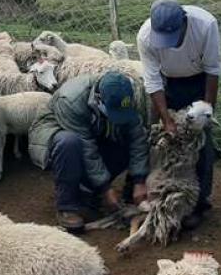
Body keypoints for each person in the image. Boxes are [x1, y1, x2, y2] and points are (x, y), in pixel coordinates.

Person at [136, 0, 221, 229]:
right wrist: (165, 119)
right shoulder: (145, 36)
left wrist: (207, 110)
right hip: (166, 84)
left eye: (172, 38)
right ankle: (151, 192)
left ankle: (198, 203)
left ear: (184, 22)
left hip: (199, 81)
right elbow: (152, 80)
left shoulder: (205, 25)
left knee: (201, 142)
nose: (169, 44)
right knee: (157, 138)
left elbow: (213, 71)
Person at [28, 71, 149, 232]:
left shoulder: (126, 97)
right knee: (69, 143)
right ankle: (67, 205)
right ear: (99, 100)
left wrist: (139, 180)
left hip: (95, 130)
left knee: (124, 139)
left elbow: (138, 137)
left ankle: (92, 193)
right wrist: (106, 187)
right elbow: (87, 149)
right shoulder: (71, 99)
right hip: (56, 133)